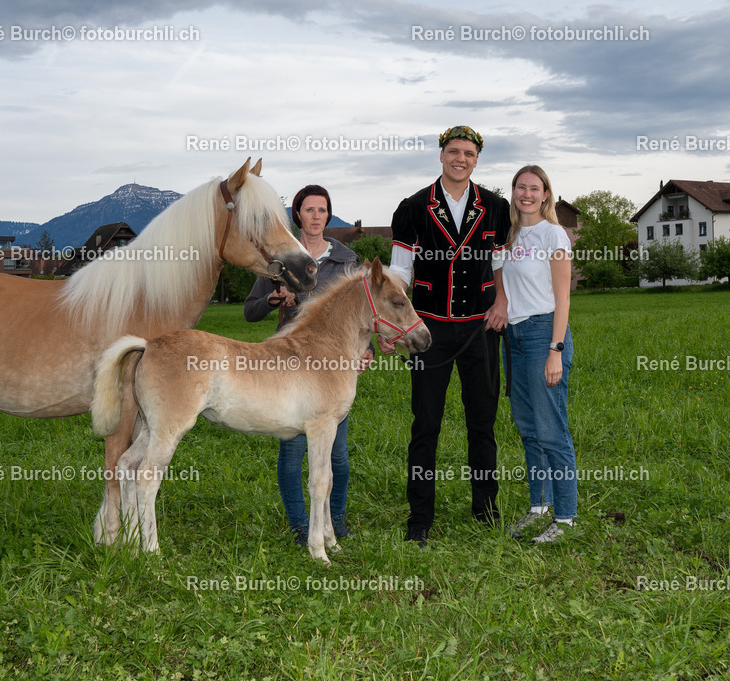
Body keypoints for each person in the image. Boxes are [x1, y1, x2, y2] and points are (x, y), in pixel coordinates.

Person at [383, 125, 510, 547]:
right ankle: (419, 518)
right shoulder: (414, 207)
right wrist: (392, 324)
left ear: (477, 160)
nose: (461, 158)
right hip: (430, 328)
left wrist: (502, 303)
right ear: (441, 155)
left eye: (469, 153)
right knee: (426, 424)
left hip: (480, 326)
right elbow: (400, 273)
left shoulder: (495, 206)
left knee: (483, 422)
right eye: (454, 151)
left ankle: (486, 509)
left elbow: (499, 265)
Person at [244, 184, 374, 547]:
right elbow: (249, 311)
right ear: (297, 215)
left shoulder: (347, 261)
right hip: (290, 367)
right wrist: (272, 299)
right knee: (292, 454)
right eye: (309, 210)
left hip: (334, 371)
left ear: (328, 215)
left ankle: (334, 522)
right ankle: (301, 525)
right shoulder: (281, 258)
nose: (316, 216)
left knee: (339, 456)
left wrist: (370, 351)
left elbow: (367, 314)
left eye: (322, 210)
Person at [489, 165, 576, 543]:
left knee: (551, 429)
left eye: (534, 188)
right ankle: (539, 508)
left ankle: (567, 518)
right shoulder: (508, 237)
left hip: (544, 334)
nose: (526, 194)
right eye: (520, 187)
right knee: (528, 429)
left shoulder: (552, 233)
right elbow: (501, 285)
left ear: (545, 195)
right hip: (516, 337)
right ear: (514, 192)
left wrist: (555, 350)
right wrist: (503, 303)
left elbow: (563, 297)